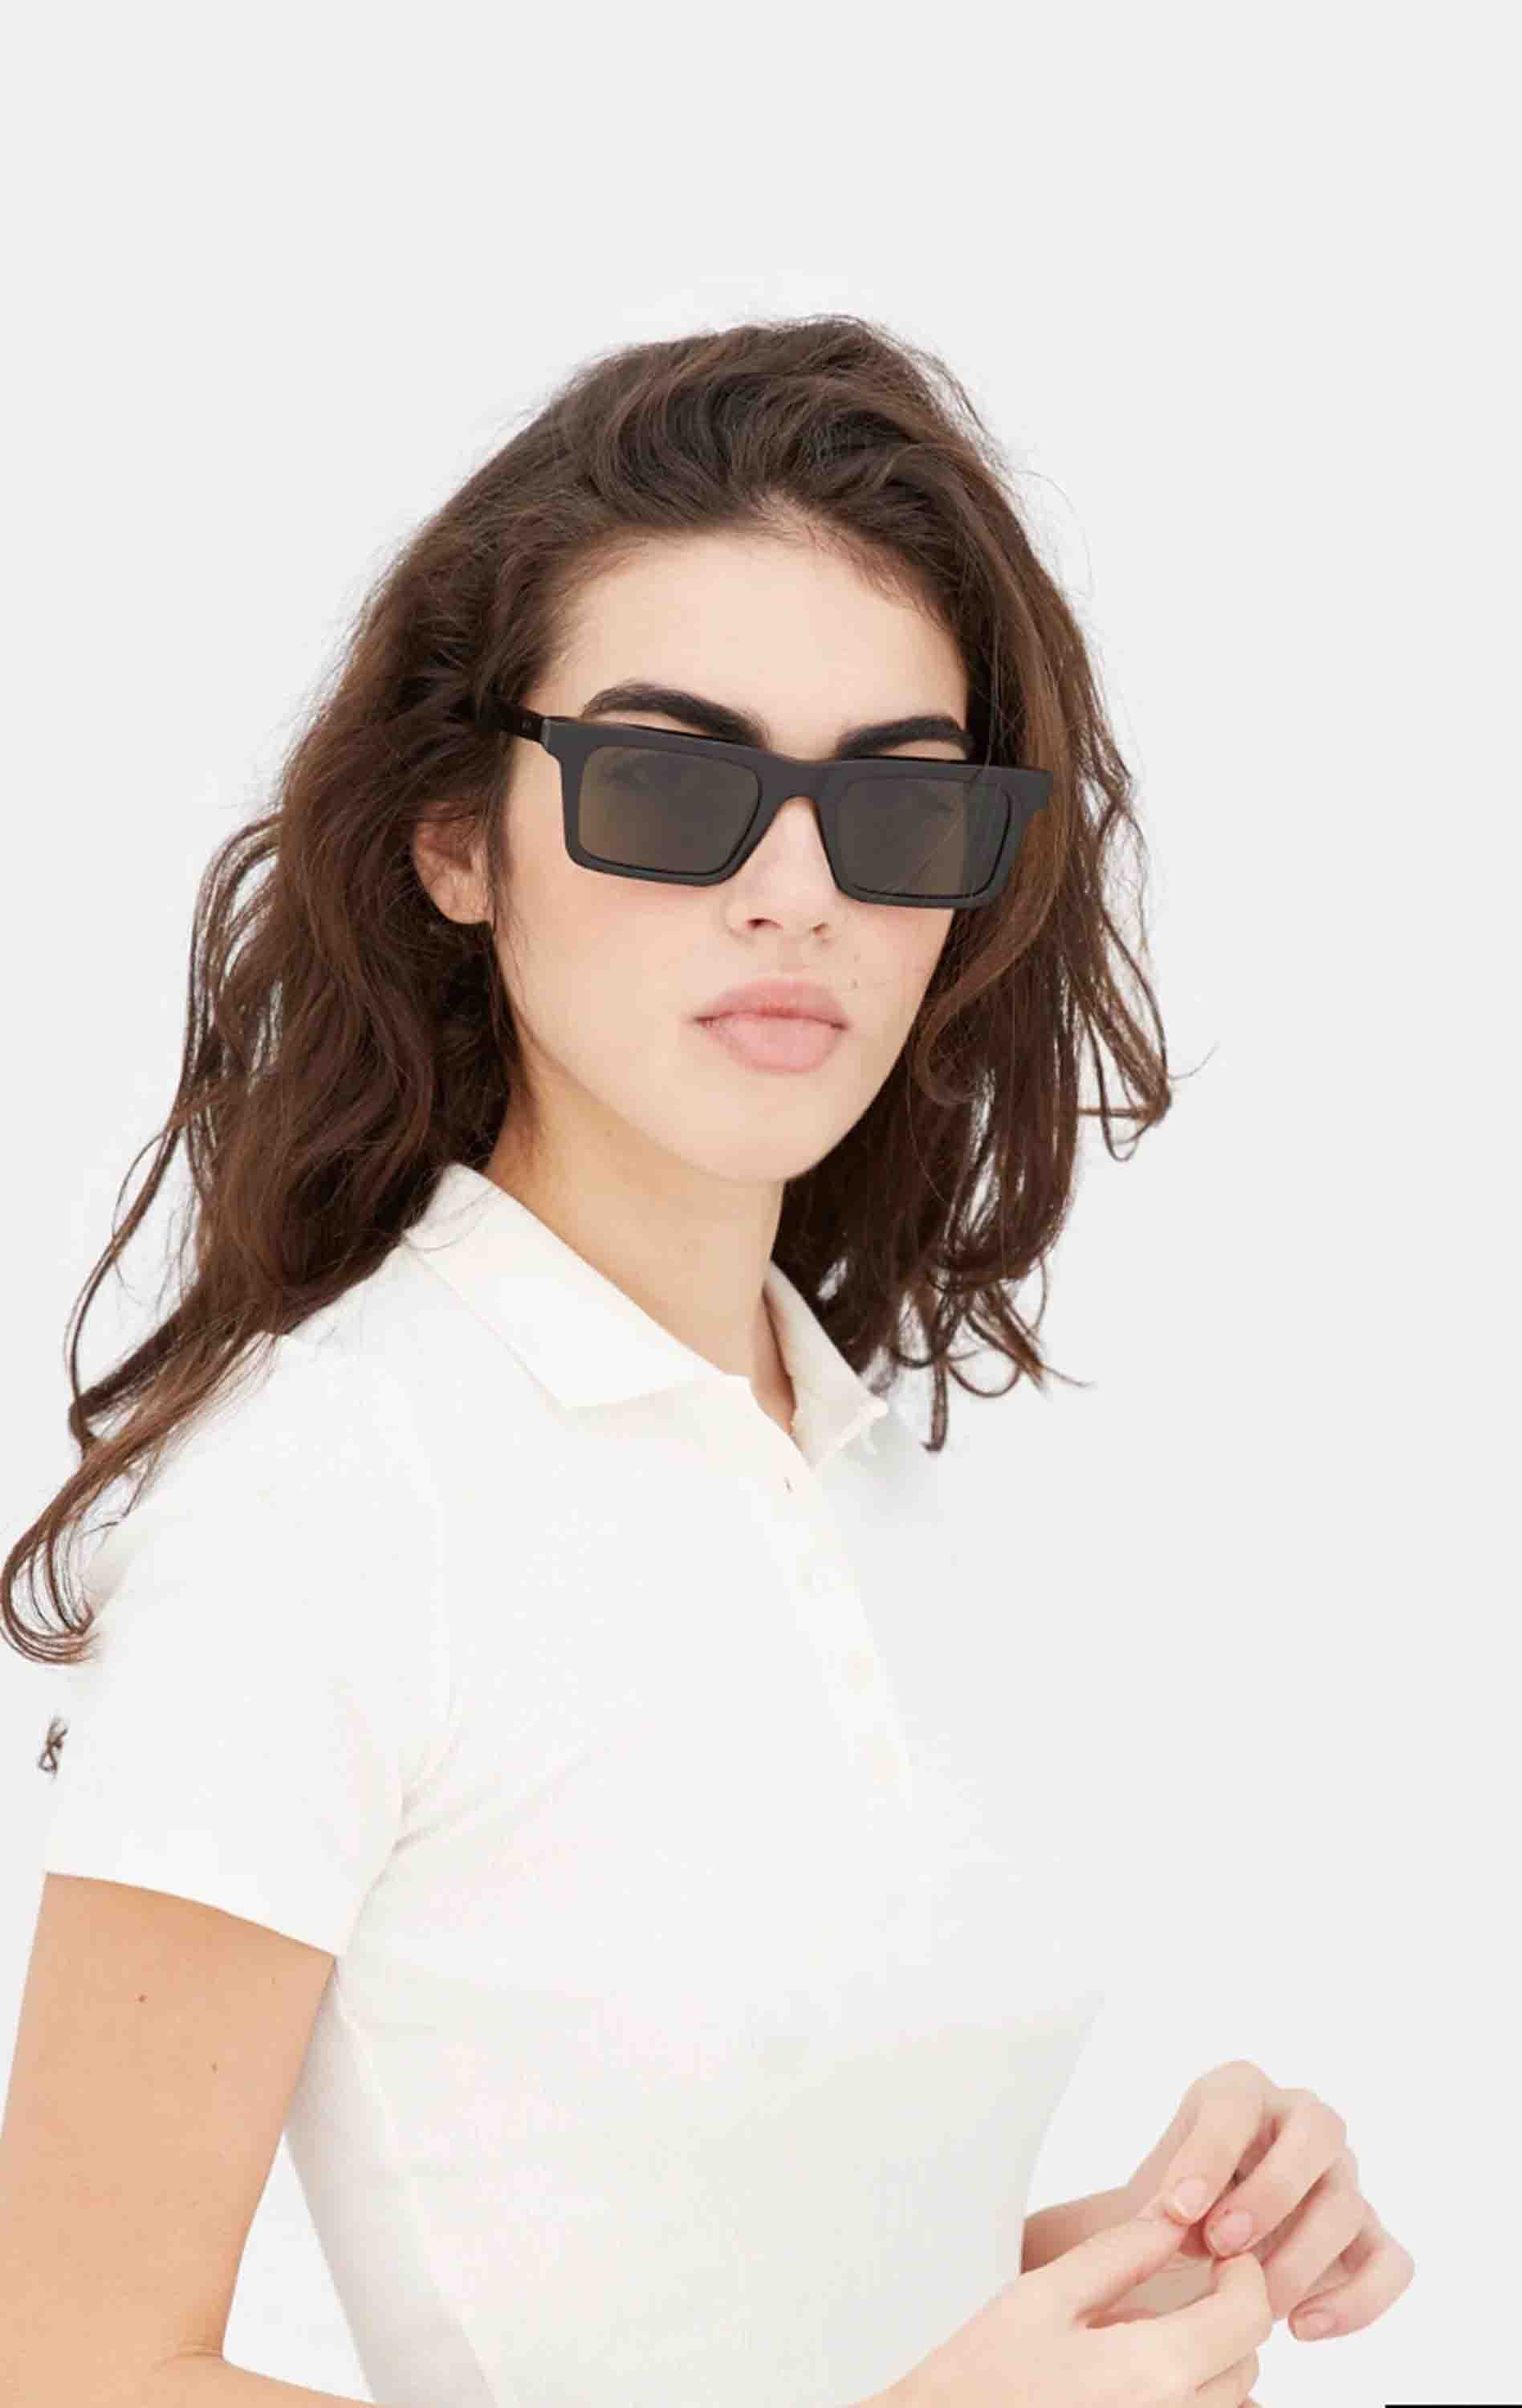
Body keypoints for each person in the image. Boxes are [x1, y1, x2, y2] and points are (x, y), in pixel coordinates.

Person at [0, 315, 1287, 2408]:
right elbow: (66, 2369)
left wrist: (1137, 2271)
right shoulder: (325, 1501)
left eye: (899, 805)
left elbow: (733, 2290)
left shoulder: (854, 1454)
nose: (799, 894)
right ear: (457, 841)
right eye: (678, 785)